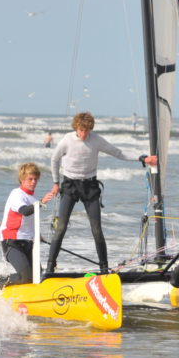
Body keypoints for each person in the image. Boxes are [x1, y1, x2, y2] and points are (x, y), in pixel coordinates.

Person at [46, 112, 156, 275]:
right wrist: (56, 183)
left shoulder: (96, 140)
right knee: (61, 227)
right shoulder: (67, 140)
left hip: (90, 186)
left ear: (90, 128)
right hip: (70, 185)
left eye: (87, 130)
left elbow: (118, 153)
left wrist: (142, 158)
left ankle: (104, 269)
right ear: (76, 127)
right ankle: (49, 268)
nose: (84, 133)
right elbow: (54, 159)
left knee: (96, 229)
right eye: (81, 130)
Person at [0, 162, 54, 290]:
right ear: (22, 179)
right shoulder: (16, 194)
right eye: (30, 179)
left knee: (38, 276)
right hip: (12, 241)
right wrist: (41, 202)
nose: (33, 182)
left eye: (35, 179)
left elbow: (31, 218)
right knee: (26, 277)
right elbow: (25, 211)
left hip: (28, 241)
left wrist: (37, 233)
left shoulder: (34, 196)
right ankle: (0, 280)